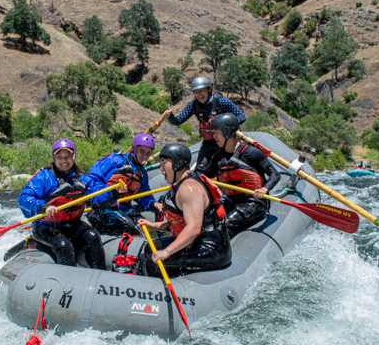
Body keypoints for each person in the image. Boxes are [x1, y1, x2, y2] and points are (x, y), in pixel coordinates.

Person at [18, 138, 120, 270]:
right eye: (59, 156)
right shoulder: (44, 176)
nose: (64, 160)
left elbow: (97, 194)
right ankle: (68, 283)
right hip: (47, 226)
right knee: (63, 245)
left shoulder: (81, 178)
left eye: (68, 156)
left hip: (73, 225)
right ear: (54, 158)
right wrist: (43, 206)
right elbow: (25, 198)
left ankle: (99, 276)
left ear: (74, 156)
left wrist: (113, 193)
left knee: (94, 237)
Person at [137, 143, 231, 277]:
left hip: (211, 248)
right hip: (196, 242)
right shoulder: (182, 184)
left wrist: (167, 251)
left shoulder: (189, 188)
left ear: (178, 163)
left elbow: (193, 228)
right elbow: (179, 224)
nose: (161, 169)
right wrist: (152, 226)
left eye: (164, 164)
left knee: (154, 262)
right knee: (150, 247)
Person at [211, 113, 281, 237]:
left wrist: (264, 189)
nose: (214, 136)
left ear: (227, 132)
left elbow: (274, 174)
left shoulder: (250, 153)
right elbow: (201, 176)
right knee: (208, 221)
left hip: (254, 203)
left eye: (216, 132)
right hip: (231, 202)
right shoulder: (218, 156)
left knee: (225, 225)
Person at [162, 76, 245, 179]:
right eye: (196, 92)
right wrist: (169, 116)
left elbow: (241, 117)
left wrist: (223, 125)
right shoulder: (194, 104)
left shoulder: (222, 101)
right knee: (200, 171)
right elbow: (178, 121)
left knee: (226, 169)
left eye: (201, 91)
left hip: (226, 142)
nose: (199, 94)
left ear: (209, 90)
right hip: (209, 143)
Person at [87, 133, 164, 236]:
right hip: (103, 207)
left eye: (148, 153)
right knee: (126, 225)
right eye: (142, 151)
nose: (145, 156)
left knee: (142, 224)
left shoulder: (142, 172)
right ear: (134, 148)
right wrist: (111, 195)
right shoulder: (115, 160)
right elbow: (93, 179)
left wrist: (154, 204)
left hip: (125, 208)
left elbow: (143, 194)